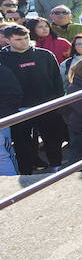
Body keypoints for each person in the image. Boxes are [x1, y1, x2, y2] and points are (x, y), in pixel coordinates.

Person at [0, 22, 66, 174]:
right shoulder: (2, 58)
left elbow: (57, 80)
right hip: (17, 110)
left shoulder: (45, 55)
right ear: (7, 40)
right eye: (18, 39)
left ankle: (56, 166)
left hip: (46, 106)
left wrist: (58, 103)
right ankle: (26, 173)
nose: (23, 42)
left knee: (53, 139)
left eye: (26, 38)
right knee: (22, 144)